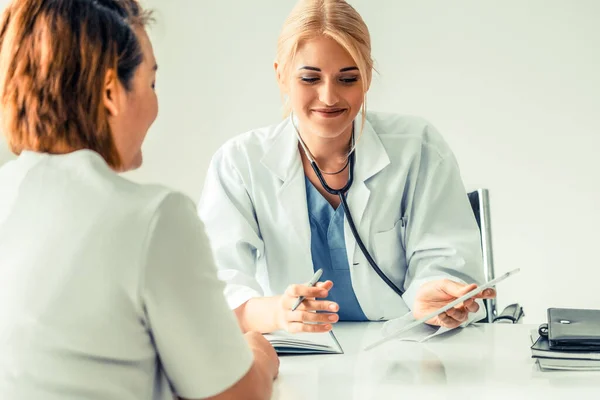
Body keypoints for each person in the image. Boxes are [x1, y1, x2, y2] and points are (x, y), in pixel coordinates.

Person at [0, 1, 278, 399]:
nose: (155, 107)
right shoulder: (155, 218)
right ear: (111, 92)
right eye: (151, 83)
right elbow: (238, 395)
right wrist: (259, 353)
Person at [198, 0, 496, 335]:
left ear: (367, 76)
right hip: (298, 357)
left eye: (348, 78)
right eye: (310, 78)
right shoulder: (239, 163)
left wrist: (436, 298)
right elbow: (214, 288)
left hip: (404, 352)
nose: (328, 96)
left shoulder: (419, 147)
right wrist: (275, 313)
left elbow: (448, 260)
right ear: (281, 75)